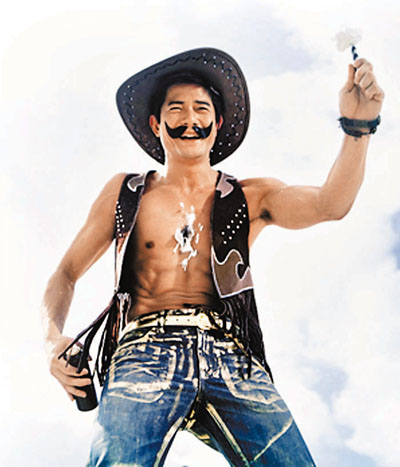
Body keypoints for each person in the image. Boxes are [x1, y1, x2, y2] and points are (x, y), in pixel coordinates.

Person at [41, 48, 384, 466]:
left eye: (201, 109)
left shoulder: (251, 195)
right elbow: (65, 273)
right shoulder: (125, 192)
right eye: (176, 109)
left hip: (232, 357)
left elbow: (331, 204)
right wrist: (52, 340)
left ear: (217, 124)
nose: (190, 119)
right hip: (142, 356)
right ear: (156, 124)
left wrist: (358, 127)